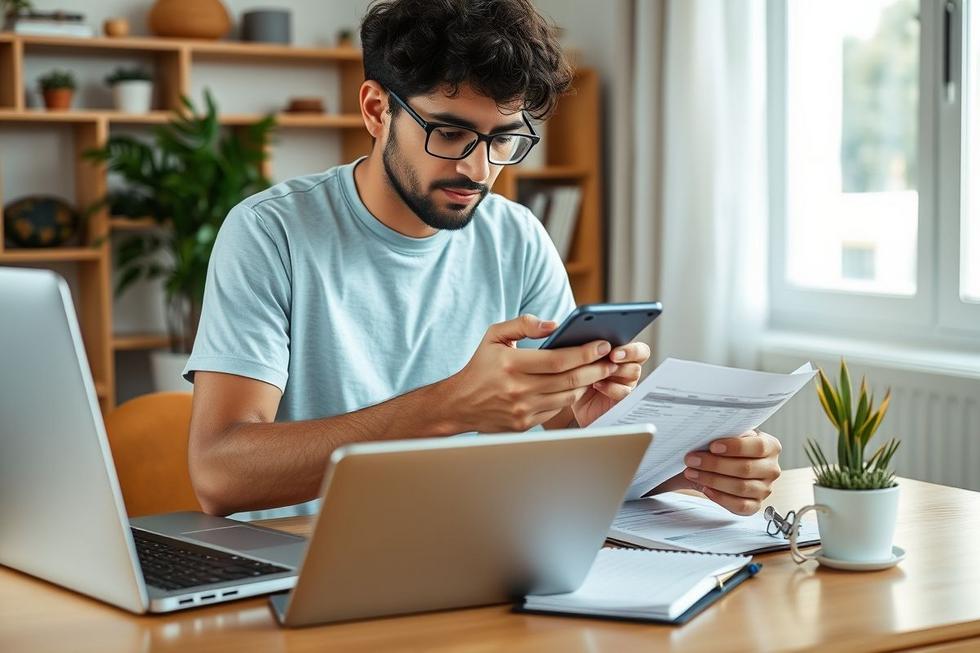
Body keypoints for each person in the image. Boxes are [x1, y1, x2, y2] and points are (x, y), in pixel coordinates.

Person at [184, 0, 781, 518]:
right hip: (309, 558)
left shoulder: (517, 235)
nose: (479, 168)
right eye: (449, 132)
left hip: (485, 549)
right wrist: (447, 407)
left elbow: (565, 434)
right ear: (376, 110)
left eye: (503, 138)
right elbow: (219, 476)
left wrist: (689, 466)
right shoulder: (271, 232)